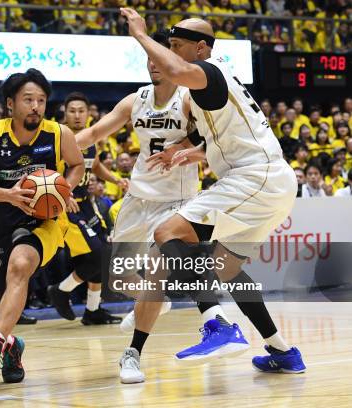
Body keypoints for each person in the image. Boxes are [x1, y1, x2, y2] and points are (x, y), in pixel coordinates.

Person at [121, 10, 306, 373]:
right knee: (225, 266)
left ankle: (218, 324)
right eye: (168, 46)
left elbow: (174, 72)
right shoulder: (215, 79)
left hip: (255, 178)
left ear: (201, 49)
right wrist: (187, 149)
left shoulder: (207, 72)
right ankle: (282, 351)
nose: (170, 52)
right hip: (272, 180)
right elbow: (223, 133)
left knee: (167, 233)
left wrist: (141, 36)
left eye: (176, 46)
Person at [76, 31, 236, 383]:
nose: (154, 63)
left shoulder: (189, 99)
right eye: (150, 58)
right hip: (137, 197)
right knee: (118, 279)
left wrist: (188, 150)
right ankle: (157, 301)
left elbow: (216, 140)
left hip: (176, 202)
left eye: (161, 58)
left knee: (155, 270)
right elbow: (92, 135)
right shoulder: (136, 100)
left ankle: (132, 354)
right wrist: (53, 150)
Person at [0, 68, 83, 382]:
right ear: (10, 104)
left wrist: (64, 190)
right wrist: (9, 195)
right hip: (0, 220)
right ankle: (11, 346)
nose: (36, 106)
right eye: (28, 99)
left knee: (20, 265)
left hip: (42, 221)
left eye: (41, 100)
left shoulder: (59, 134)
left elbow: (77, 164)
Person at [48, 92, 127, 325]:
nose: (77, 115)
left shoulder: (90, 138)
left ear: (88, 112)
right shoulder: (58, 138)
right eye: (72, 110)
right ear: (65, 112)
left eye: (81, 111)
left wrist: (116, 180)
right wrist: (64, 192)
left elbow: (96, 166)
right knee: (97, 256)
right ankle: (61, 290)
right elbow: (47, 172)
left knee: (103, 255)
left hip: (87, 206)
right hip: (67, 207)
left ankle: (93, 310)